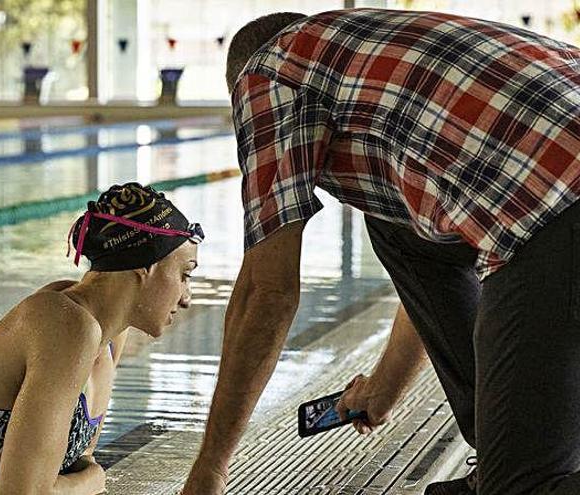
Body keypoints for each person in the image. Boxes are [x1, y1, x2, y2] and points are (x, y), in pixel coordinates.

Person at [182, 8, 580, 495]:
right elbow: (433, 268)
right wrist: (383, 388)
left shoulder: (268, 70)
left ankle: (516, 469)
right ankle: (505, 449)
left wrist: (209, 471)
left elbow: (266, 292)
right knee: (396, 230)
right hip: (557, 185)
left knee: (522, 487)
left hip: (560, 196)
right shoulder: (373, 50)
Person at [0, 182, 203, 495]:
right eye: (184, 275)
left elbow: (80, 465)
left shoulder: (110, 335)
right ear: (147, 266)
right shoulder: (64, 324)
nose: (187, 297)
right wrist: (83, 482)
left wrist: (73, 484)